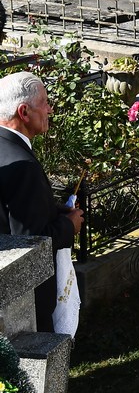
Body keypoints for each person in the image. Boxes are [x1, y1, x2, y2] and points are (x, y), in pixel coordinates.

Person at [0, 72, 84, 331]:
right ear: (24, 111)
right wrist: (69, 226)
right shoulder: (24, 166)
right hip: (27, 300)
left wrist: (56, 211)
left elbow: (11, 209)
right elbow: (30, 242)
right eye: (45, 102)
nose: (50, 109)